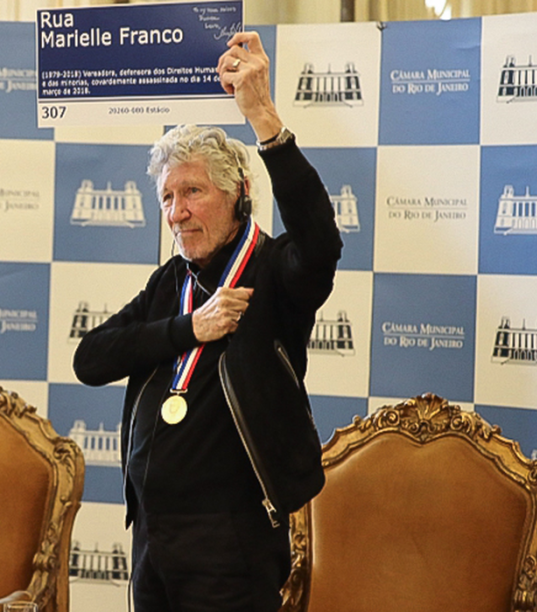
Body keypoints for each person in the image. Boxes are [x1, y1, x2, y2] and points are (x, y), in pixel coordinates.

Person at [73, 31, 343, 612]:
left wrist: (264, 119)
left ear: (238, 192)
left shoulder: (273, 272)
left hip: (231, 546)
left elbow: (320, 243)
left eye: (192, 191)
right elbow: (90, 359)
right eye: (168, 197)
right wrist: (186, 329)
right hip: (151, 539)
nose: (177, 212)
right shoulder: (171, 282)